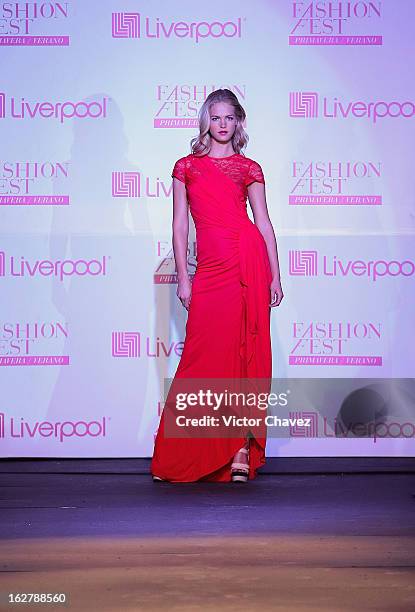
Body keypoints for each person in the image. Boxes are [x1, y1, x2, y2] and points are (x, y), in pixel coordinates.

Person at [151, 89, 283, 483]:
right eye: (216, 116)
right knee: (200, 358)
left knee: (244, 356)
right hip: (209, 269)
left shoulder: (248, 168)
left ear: (238, 122)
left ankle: (240, 449)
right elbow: (178, 226)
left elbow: (263, 222)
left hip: (247, 262)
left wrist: (275, 273)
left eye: (230, 117)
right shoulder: (186, 167)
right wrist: (183, 277)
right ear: (205, 120)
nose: (222, 124)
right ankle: (181, 453)